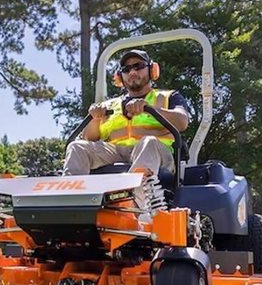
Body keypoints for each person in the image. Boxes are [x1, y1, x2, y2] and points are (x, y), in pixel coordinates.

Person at [62, 49, 191, 215]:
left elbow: (182, 121)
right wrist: (95, 118)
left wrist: (149, 108)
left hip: (157, 155)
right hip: (115, 152)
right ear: (120, 76)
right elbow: (90, 138)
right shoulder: (108, 105)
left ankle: (134, 206)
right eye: (126, 69)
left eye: (138, 66)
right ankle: (70, 204)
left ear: (152, 70)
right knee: (77, 146)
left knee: (148, 142)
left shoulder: (167, 97)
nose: (133, 72)